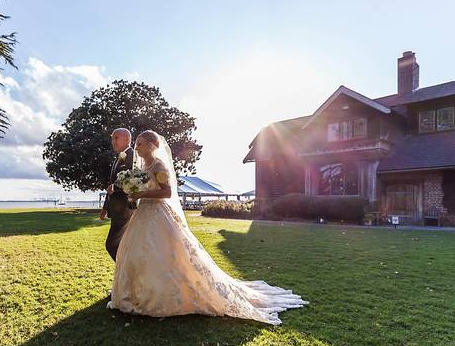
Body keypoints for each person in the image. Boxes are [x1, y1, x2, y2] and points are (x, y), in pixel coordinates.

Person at [109, 130, 307, 324]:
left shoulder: (159, 165)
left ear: (152, 145)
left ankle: (161, 296)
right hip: (143, 215)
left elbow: (167, 192)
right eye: (137, 144)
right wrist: (133, 190)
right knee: (136, 254)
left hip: (158, 215)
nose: (137, 147)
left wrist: (141, 194)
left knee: (162, 254)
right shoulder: (143, 166)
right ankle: (136, 294)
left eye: (140, 144)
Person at [100, 127, 134, 261]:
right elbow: (111, 185)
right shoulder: (118, 158)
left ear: (126, 139)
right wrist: (105, 207)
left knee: (111, 245)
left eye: (116, 138)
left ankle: (126, 271)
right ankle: (126, 273)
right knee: (121, 245)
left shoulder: (132, 156)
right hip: (115, 209)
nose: (113, 142)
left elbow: (134, 179)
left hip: (124, 209)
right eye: (112, 139)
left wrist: (115, 186)